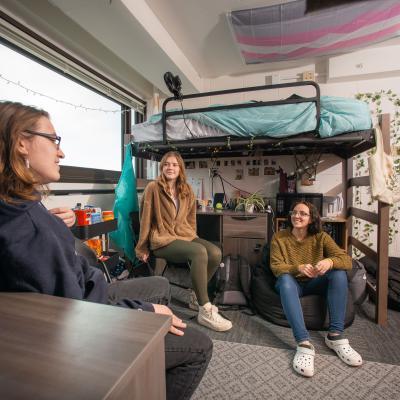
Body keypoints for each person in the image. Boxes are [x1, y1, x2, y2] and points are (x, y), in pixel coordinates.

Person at [0, 101, 212, 400]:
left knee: (163, 282)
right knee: (199, 345)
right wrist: (146, 311)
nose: (61, 152)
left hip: (88, 289)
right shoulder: (33, 227)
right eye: (54, 140)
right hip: (84, 316)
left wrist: (56, 223)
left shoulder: (20, 207)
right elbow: (78, 308)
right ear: (22, 142)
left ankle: (144, 377)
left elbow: (47, 258)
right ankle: (146, 352)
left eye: (175, 165)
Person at [135, 151, 232, 332]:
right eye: (166, 164)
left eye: (174, 164)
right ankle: (205, 309)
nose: (170, 167)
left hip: (183, 234)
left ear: (180, 168)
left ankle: (196, 295)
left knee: (215, 252)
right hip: (162, 238)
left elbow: (191, 219)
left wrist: (192, 237)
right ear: (162, 167)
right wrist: (142, 247)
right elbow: (145, 218)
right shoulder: (153, 188)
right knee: (198, 252)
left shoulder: (186, 189)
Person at [270, 201, 362, 377]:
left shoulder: (321, 237)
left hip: (314, 283)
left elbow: (346, 260)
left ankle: (335, 335)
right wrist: (298, 268)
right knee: (284, 280)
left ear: (311, 219)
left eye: (303, 214)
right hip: (292, 284)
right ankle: (303, 342)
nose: (297, 216)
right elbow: (276, 266)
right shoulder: (279, 237)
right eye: (294, 212)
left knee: (338, 274)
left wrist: (330, 261)